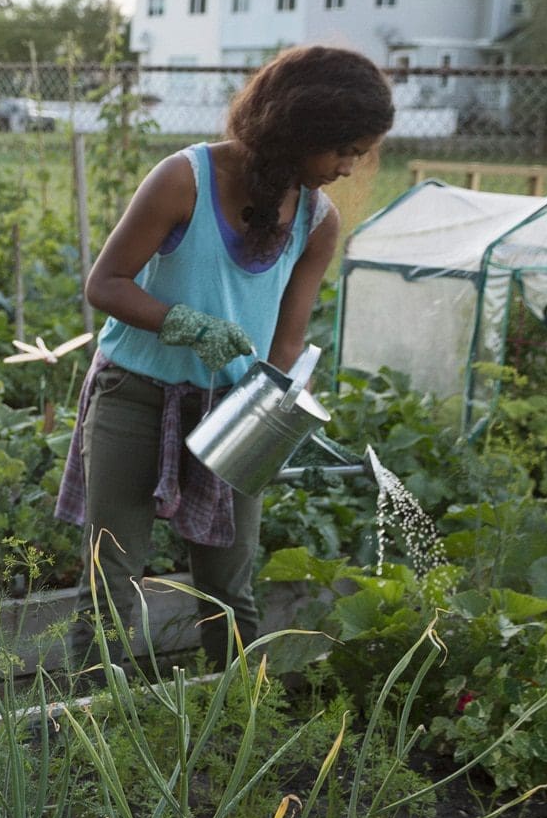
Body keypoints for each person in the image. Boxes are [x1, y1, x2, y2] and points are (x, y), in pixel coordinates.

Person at [57, 45, 394, 660]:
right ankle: (91, 734)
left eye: (360, 152)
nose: (349, 166)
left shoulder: (317, 220)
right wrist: (183, 323)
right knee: (112, 582)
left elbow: (287, 346)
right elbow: (104, 285)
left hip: (236, 408)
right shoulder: (184, 179)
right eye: (343, 148)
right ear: (298, 129)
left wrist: (287, 416)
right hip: (135, 394)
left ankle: (237, 724)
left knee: (228, 588)